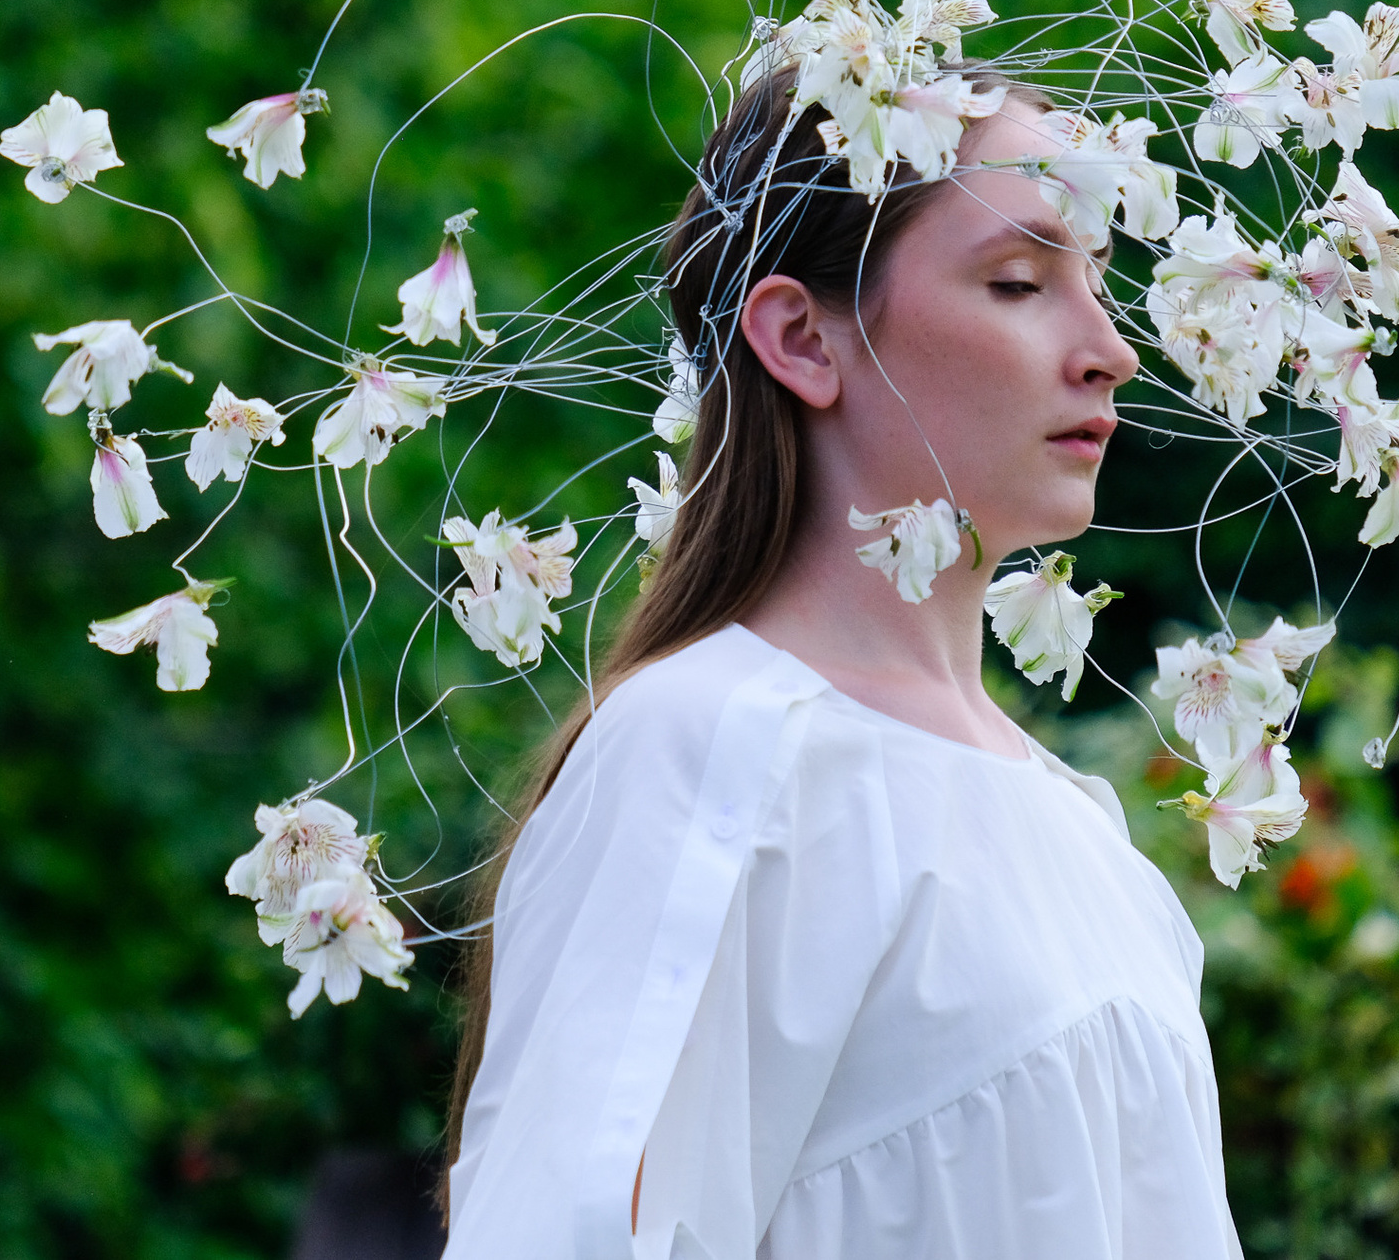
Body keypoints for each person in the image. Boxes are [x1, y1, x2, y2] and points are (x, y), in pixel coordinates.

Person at [441, 67, 1243, 1259]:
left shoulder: (1083, 828)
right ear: (802, 337)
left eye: (1102, 281)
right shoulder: (710, 755)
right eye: (1018, 280)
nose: (1109, 350)